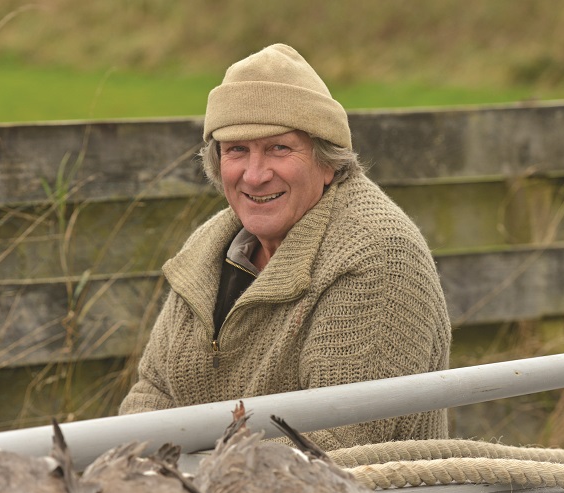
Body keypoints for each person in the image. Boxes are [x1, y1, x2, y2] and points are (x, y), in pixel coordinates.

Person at [118, 43, 451, 451]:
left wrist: (192, 479)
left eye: (279, 148)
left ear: (327, 161)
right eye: (237, 150)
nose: (255, 175)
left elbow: (341, 439)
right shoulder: (208, 246)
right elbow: (153, 392)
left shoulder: (377, 254)